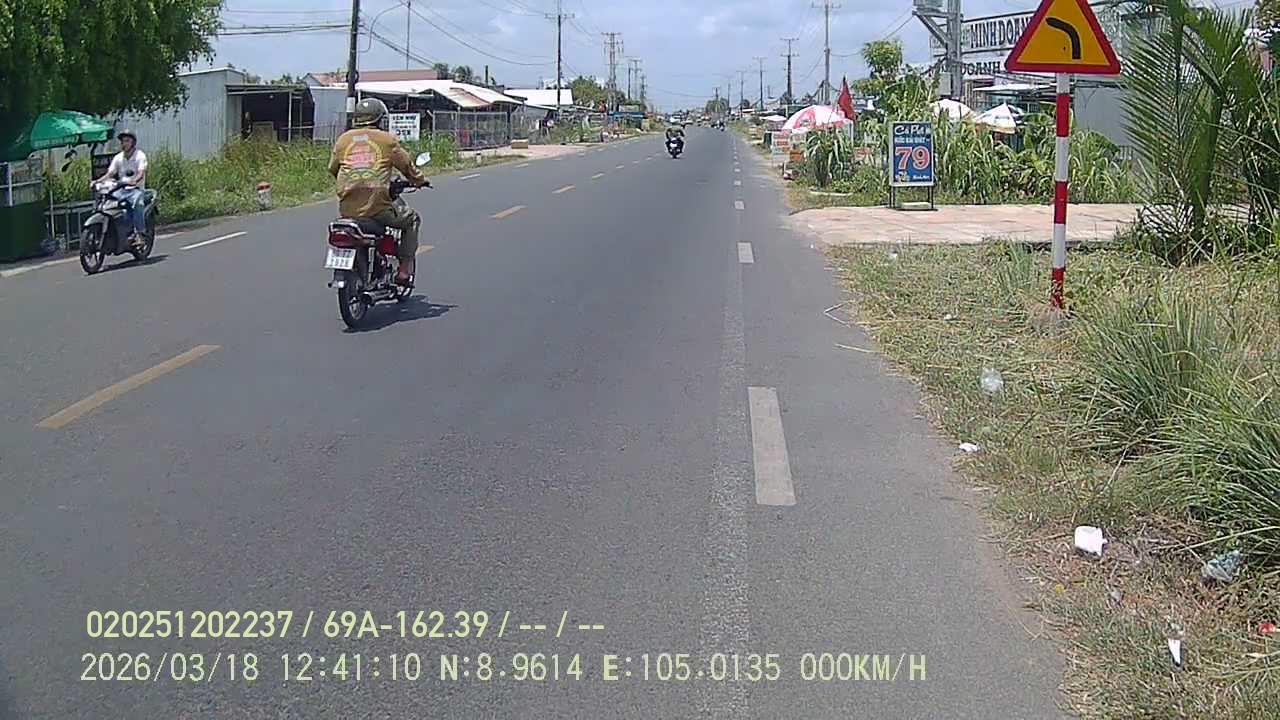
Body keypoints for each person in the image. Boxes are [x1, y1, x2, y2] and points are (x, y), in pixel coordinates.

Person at [328, 98, 429, 285]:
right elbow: (407, 166)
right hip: (377, 208)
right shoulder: (386, 140)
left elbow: (333, 168)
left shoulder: (343, 140)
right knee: (412, 219)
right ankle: (404, 270)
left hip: (347, 210)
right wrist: (420, 180)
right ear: (380, 119)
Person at [92, 129, 149, 248]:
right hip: (121, 190)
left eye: (127, 141)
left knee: (138, 204)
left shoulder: (140, 155)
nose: (124, 144)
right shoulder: (118, 157)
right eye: (123, 141)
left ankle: (140, 234)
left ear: (133, 142)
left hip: (136, 190)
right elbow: (110, 174)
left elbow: (141, 172)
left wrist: (135, 180)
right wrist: (97, 181)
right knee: (105, 203)